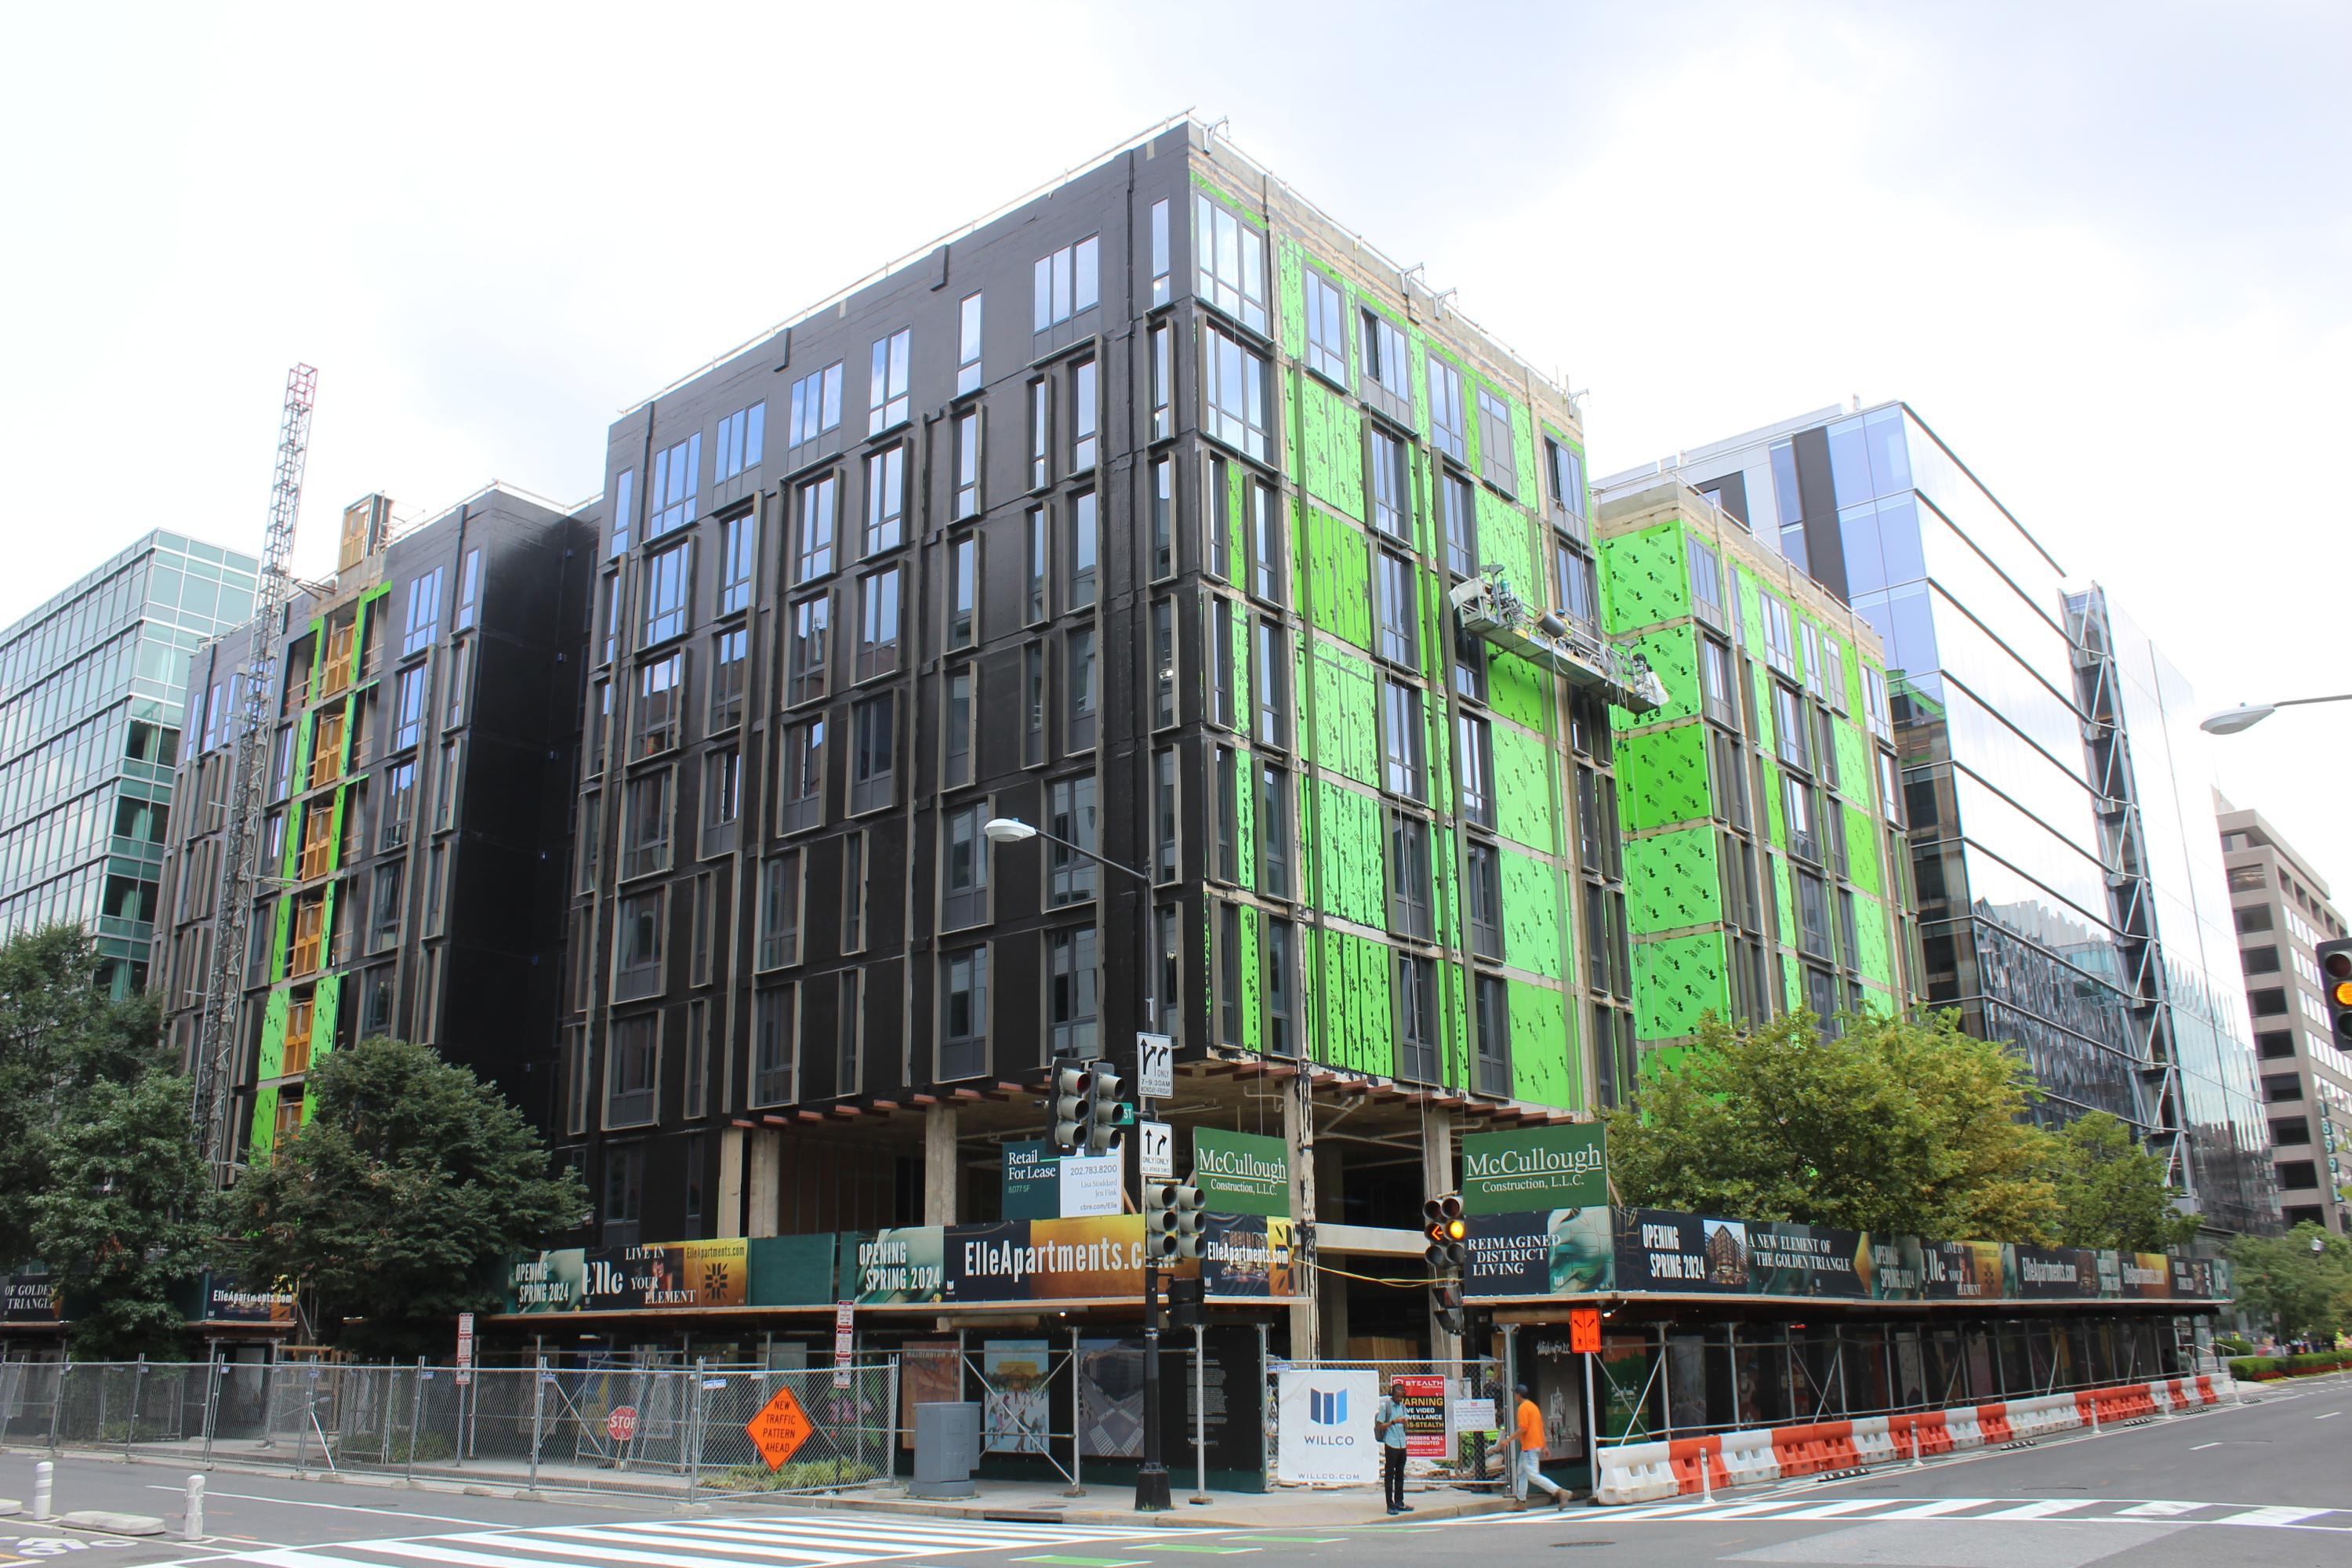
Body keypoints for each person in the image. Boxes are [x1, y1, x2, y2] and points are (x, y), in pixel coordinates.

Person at [1513, 1382, 1569, 1509]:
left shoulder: (1522, 1408)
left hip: (1529, 1447)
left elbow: (1523, 1428)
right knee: (1521, 1473)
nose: (1515, 1397)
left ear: (1518, 1395)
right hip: (1533, 1446)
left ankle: (1559, 1491)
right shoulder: (1534, 1407)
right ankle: (1520, 1502)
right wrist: (1544, 1446)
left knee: (1533, 1475)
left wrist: (1508, 1440)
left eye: (1515, 1394)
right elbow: (1540, 1427)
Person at [1374, 1377, 1413, 1515]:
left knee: (1400, 1474)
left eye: (1401, 1397)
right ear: (1392, 1395)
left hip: (1402, 1443)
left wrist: (1404, 1422)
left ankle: (1399, 1501)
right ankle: (1389, 1504)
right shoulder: (1386, 1407)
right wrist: (1393, 1422)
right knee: (1390, 1474)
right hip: (1391, 1443)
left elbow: (1406, 1424)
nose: (1399, 1399)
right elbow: (1379, 1426)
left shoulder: (1402, 1406)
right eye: (1397, 1396)